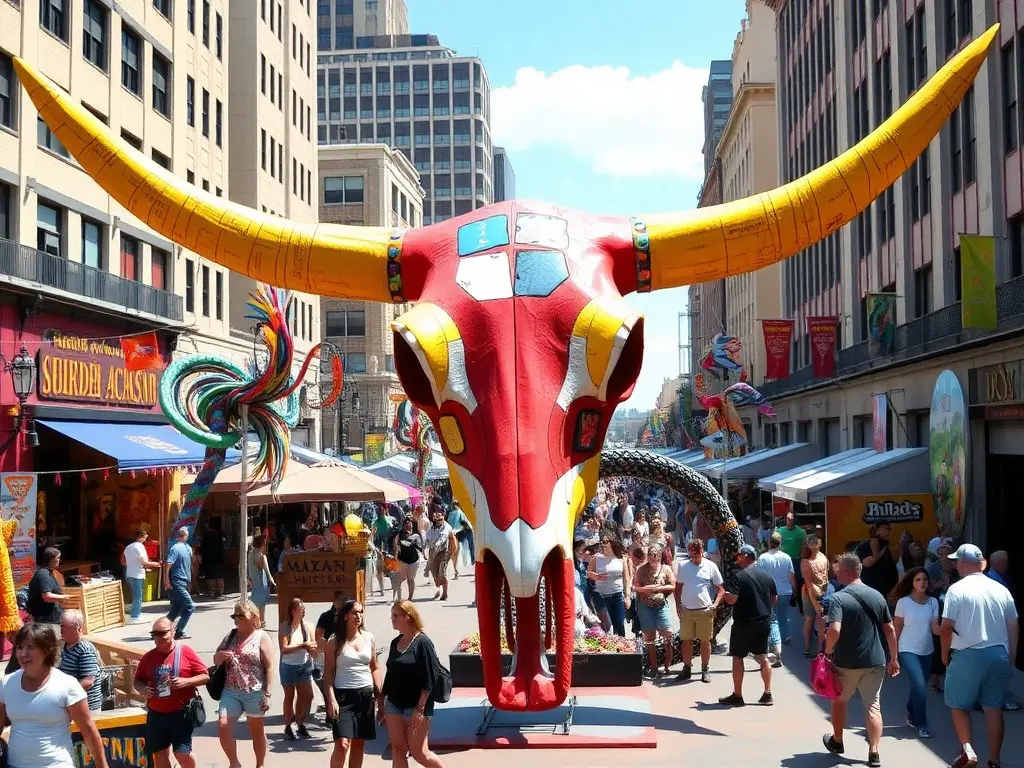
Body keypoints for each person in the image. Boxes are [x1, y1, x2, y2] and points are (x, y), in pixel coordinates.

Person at [941, 543, 1019, 768]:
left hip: (967, 654)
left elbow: (946, 627)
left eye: (957, 561)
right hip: (998, 654)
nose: (955, 565)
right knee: (994, 707)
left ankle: (968, 750)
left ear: (964, 563)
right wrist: (1011, 656)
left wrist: (945, 656)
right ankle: (994, 760)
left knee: (958, 705)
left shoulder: (957, 589)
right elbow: (1013, 624)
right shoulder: (1000, 588)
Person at [821, 552, 900, 768]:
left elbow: (834, 630)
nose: (836, 575)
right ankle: (874, 752)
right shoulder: (877, 596)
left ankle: (837, 741)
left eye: (838, 571)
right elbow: (890, 629)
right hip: (876, 661)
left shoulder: (838, 598)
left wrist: (827, 653)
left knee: (839, 700)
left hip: (846, 662)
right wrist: (894, 659)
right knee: (873, 705)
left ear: (846, 571)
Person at [0, 623, 109, 768]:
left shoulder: (67, 685)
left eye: (30, 648)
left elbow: (88, 730)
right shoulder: (7, 682)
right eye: (20, 647)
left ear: (47, 650)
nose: (23, 653)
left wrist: (102, 765)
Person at [134, 617, 210, 768]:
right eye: (155, 634)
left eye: (163, 633)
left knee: (183, 754)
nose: (159, 637)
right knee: (160, 754)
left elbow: (205, 676)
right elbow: (137, 681)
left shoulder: (185, 652)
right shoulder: (148, 657)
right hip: (156, 714)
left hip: (180, 713)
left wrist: (186, 681)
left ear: (173, 632)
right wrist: (143, 690)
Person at [382, 600, 447, 768]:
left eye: (396, 616)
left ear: (408, 617)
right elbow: (390, 674)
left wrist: (420, 709)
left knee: (420, 753)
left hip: (416, 706)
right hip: (394, 704)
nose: (392, 620)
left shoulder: (423, 643)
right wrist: (381, 699)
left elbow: (428, 680)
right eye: (392, 616)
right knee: (397, 750)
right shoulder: (395, 642)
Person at [215, 600, 277, 768]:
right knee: (223, 725)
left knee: (256, 730)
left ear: (253, 616)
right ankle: (234, 763)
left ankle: (260, 764)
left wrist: (268, 694)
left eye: (241, 616)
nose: (237, 619)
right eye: (235, 616)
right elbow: (216, 658)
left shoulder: (261, 636)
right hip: (231, 690)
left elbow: (270, 665)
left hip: (254, 691)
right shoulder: (231, 635)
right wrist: (220, 657)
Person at [324, 600, 382, 768]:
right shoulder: (334, 641)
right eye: (355, 613)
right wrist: (331, 699)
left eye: (361, 612)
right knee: (342, 743)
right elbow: (328, 673)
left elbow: (374, 668)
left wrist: (380, 695)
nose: (359, 616)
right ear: (345, 615)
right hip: (343, 696)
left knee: (359, 743)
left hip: (365, 695)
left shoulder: (368, 637)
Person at [718, 544, 776, 707]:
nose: (736, 559)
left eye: (738, 556)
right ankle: (767, 692)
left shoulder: (739, 576)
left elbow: (732, 600)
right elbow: (774, 599)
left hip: (744, 623)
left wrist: (723, 594)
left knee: (738, 657)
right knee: (762, 657)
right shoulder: (766, 576)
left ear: (745, 556)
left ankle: (738, 694)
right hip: (763, 622)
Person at [892, 567, 939, 739]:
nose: (922, 583)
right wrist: (893, 654)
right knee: (919, 686)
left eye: (925, 579)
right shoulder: (903, 602)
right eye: (918, 579)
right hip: (907, 650)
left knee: (919, 687)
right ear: (912, 582)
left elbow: (935, 628)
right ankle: (922, 724)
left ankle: (910, 710)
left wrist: (952, 630)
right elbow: (896, 628)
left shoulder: (933, 602)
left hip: (927, 650)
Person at [674, 538, 724, 683]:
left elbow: (720, 588)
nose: (693, 556)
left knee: (705, 641)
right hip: (687, 610)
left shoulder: (710, 566)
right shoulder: (683, 566)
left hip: (704, 610)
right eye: (691, 553)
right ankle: (687, 668)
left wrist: (715, 605)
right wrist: (678, 605)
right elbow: (678, 587)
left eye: (696, 553)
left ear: (702, 551)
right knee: (686, 641)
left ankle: (705, 669)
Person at [633, 543, 676, 677]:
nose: (654, 558)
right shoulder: (641, 569)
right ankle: (654, 666)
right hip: (645, 607)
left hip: (660, 606)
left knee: (668, 634)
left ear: (660, 556)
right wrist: (646, 589)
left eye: (656, 555)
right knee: (650, 638)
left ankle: (668, 666)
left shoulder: (666, 569)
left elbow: (673, 585)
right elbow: (636, 587)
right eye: (651, 555)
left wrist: (658, 589)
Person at [279, 597, 317, 740]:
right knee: (290, 696)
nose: (303, 611)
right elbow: (284, 648)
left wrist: (312, 648)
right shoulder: (285, 626)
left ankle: (301, 723)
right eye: (300, 609)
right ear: (293, 611)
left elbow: (313, 645)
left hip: (304, 664)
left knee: (306, 696)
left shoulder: (307, 626)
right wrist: (302, 646)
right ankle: (288, 726)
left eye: (304, 609)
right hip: (288, 665)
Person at [757, 532, 796, 667]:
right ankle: (785, 636)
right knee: (783, 616)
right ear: (781, 543)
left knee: (772, 619)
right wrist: (795, 591)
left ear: (769, 543)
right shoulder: (786, 557)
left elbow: (760, 577)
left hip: (769, 593)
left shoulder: (763, 558)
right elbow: (791, 576)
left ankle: (776, 644)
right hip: (785, 591)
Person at [57, 610, 103, 712]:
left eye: (65, 626)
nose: (61, 629)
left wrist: (64, 695)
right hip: (71, 704)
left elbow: (88, 681)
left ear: (78, 628)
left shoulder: (84, 649)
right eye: (61, 625)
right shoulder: (66, 646)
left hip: (86, 707)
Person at [588, 535, 627, 636]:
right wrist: (595, 577)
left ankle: (621, 646)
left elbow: (626, 578)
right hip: (600, 595)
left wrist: (627, 596)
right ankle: (608, 647)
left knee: (618, 621)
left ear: (613, 544)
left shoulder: (621, 559)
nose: (604, 544)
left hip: (617, 594)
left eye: (606, 542)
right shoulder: (596, 558)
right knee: (606, 624)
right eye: (603, 542)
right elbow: (589, 573)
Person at [27, 547, 71, 630]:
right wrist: (65, 597)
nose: (59, 560)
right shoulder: (43, 574)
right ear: (50, 559)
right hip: (46, 620)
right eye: (57, 558)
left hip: (51, 618)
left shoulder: (50, 573)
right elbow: (47, 596)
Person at [801, 534, 830, 656]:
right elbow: (811, 584)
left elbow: (810, 584)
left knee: (811, 619)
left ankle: (810, 648)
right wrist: (816, 603)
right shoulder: (820, 558)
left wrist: (815, 602)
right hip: (816, 593)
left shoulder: (807, 561)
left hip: (813, 593)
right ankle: (818, 649)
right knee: (819, 621)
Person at [164, 527, 195, 640]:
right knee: (190, 606)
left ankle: (162, 628)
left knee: (177, 607)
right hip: (178, 581)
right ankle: (179, 631)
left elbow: (187, 566)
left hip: (181, 581)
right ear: (186, 536)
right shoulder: (178, 548)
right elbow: (169, 564)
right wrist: (167, 580)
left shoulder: (185, 548)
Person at [855, 523, 899, 601]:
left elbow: (895, 560)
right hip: (871, 590)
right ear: (877, 530)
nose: (888, 532)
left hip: (888, 590)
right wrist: (877, 554)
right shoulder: (865, 546)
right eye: (885, 529)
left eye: (889, 529)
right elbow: (867, 563)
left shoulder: (887, 546)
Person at [123, 529, 160, 623]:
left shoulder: (128, 547)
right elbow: (143, 561)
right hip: (137, 574)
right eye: (145, 537)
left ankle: (136, 615)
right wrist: (155, 564)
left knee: (136, 595)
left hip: (130, 573)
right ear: (142, 536)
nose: (146, 538)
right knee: (138, 596)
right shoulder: (140, 547)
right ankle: (135, 616)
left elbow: (127, 561)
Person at [424, 506, 456, 601]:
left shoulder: (447, 527)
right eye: (436, 519)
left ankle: (445, 594)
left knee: (442, 571)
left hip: (444, 551)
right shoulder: (432, 527)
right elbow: (428, 537)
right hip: (433, 551)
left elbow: (443, 537)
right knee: (434, 572)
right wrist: (426, 545)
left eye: (440, 519)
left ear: (443, 518)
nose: (438, 521)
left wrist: (437, 544)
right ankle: (438, 589)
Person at [392, 517, 423, 601]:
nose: (408, 526)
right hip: (402, 560)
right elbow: (395, 546)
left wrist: (413, 544)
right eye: (406, 525)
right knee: (399, 579)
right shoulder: (399, 535)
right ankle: (398, 598)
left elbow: (420, 548)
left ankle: (410, 598)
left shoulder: (416, 536)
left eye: (410, 525)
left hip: (413, 561)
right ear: (403, 526)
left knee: (411, 579)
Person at [247, 534, 276, 624]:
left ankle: (255, 620)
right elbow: (268, 572)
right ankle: (261, 620)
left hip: (254, 581)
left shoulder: (250, 555)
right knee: (262, 603)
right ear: (262, 544)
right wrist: (273, 582)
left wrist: (248, 579)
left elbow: (248, 568)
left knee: (254, 602)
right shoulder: (263, 556)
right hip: (262, 581)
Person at [200, 518, 225, 598]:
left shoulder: (206, 535)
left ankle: (211, 591)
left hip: (209, 558)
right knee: (219, 576)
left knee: (210, 576)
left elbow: (203, 547)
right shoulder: (219, 535)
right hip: (219, 558)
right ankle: (220, 592)